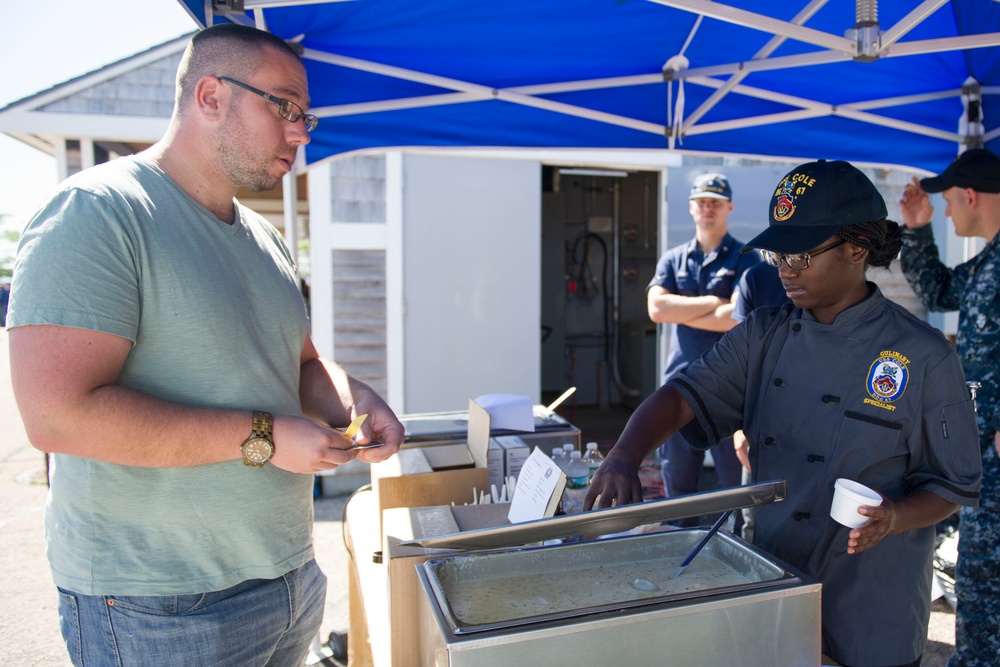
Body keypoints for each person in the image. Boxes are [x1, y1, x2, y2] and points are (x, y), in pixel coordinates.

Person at [6, 24, 405, 667]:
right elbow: (58, 416)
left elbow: (298, 364)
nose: (301, 132)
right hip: (155, 604)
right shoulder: (99, 211)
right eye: (284, 107)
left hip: (287, 578)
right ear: (211, 96)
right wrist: (269, 437)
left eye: (306, 114)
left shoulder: (265, 239)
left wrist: (355, 399)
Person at [587, 159, 982, 667]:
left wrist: (897, 516)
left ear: (855, 248)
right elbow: (684, 395)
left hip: (872, 602)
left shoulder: (923, 356)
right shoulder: (763, 334)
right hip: (777, 580)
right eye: (778, 253)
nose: (784, 269)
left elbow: (952, 484)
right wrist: (624, 453)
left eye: (799, 254)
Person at [898, 147, 1000, 667]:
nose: (949, 212)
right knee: (980, 576)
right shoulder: (988, 261)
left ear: (971, 195)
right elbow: (939, 292)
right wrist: (917, 228)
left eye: (947, 202)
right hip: (983, 455)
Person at [646, 173, 759, 531]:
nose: (708, 208)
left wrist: (688, 310)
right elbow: (658, 310)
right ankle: (681, 566)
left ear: (729, 208)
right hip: (678, 390)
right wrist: (713, 302)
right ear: (692, 207)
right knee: (678, 492)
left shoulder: (747, 258)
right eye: (702, 201)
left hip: (729, 395)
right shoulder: (674, 258)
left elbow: (737, 319)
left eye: (715, 202)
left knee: (734, 493)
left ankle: (739, 562)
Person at [730, 261, 790, 541]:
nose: (789, 272)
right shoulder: (757, 276)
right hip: (761, 424)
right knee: (753, 521)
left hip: (816, 426)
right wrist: (742, 424)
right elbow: (744, 361)